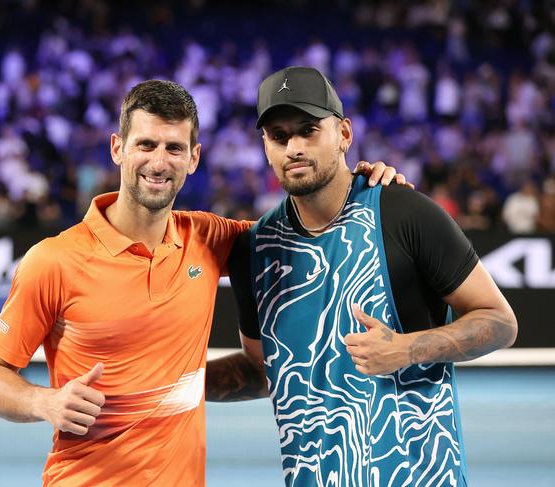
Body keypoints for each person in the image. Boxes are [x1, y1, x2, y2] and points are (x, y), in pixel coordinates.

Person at [0, 79, 403, 486]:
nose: (159, 162)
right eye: (146, 144)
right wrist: (44, 402)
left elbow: (312, 227)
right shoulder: (54, 260)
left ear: (193, 158)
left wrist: (364, 185)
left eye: (174, 148)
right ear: (118, 148)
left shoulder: (209, 238)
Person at [206, 67, 518, 486]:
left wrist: (407, 349)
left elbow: (500, 321)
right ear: (265, 147)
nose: (293, 147)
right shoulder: (255, 250)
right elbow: (263, 370)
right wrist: (156, 379)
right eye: (279, 136)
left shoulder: (405, 213)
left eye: (308, 130)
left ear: (345, 134)